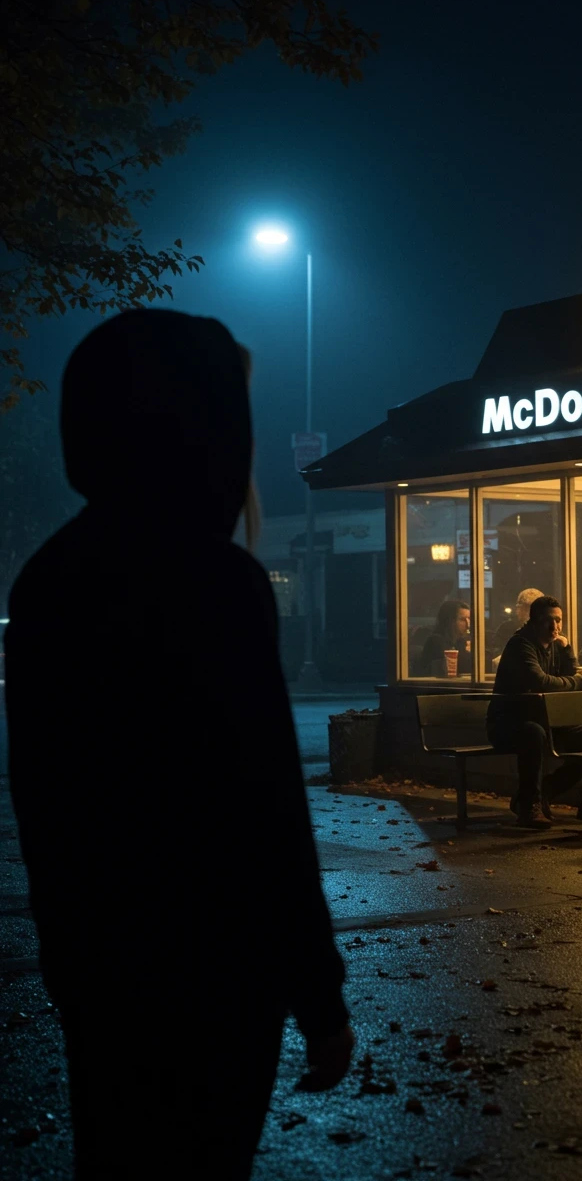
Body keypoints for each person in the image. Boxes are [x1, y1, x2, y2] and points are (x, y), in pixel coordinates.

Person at [4, 309, 353, 1180]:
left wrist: (69, 956)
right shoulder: (216, 582)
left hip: (100, 965)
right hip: (219, 970)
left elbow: (43, 798)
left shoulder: (49, 580)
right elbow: (268, 808)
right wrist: (318, 993)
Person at [487, 595, 582, 829]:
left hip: (548, 722)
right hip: (508, 724)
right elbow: (541, 681)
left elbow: (572, 678)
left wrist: (567, 650)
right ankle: (528, 804)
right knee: (532, 734)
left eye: (559, 621)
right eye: (548, 621)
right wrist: (577, 680)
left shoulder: (555, 646)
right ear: (534, 621)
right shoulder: (520, 644)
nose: (555, 627)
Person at [419, 598, 472, 675]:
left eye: (469, 619)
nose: (468, 624)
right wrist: (468, 653)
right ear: (450, 621)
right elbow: (459, 666)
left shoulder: (460, 641)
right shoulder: (436, 641)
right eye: (462, 619)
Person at [490, 587, 543, 658]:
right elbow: (496, 652)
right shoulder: (506, 628)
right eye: (526, 609)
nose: (518, 611)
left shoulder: (549, 628)